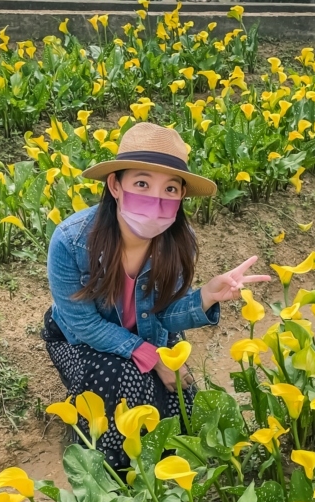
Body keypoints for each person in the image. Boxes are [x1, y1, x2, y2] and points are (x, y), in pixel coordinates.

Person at [43, 122, 269, 470]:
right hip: (81, 342)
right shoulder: (71, 240)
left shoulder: (178, 240)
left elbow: (162, 315)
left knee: (178, 418)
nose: (156, 199)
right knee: (122, 381)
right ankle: (99, 457)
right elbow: (83, 324)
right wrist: (150, 357)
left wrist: (205, 296)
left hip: (148, 333)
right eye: (142, 183)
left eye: (171, 189)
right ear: (115, 185)